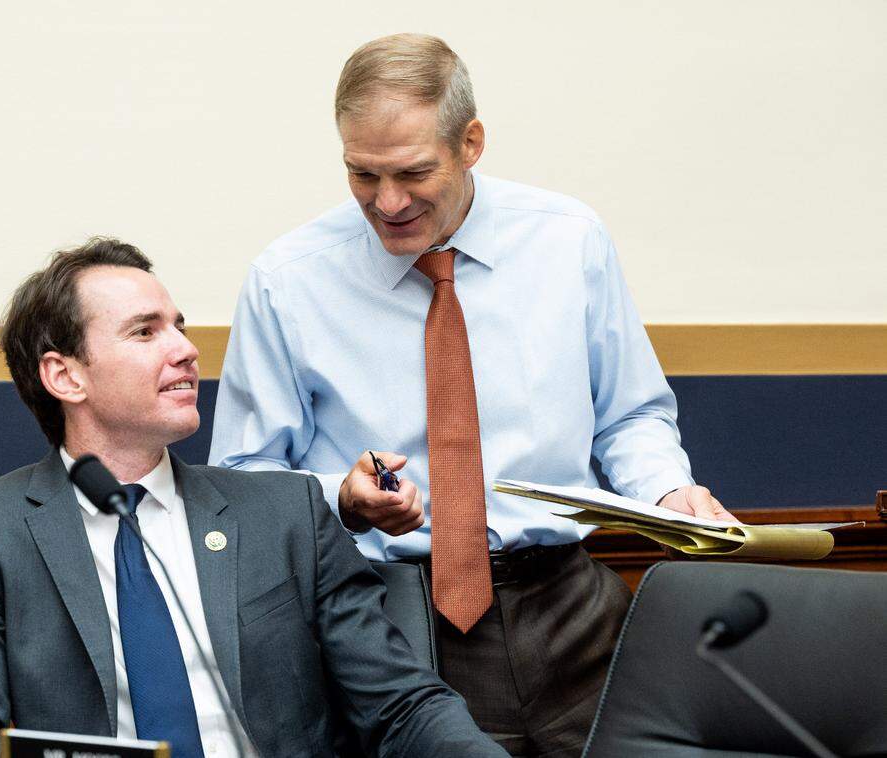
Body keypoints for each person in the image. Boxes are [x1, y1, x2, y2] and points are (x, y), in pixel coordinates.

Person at [209, 33, 737, 756]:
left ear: (471, 143)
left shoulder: (568, 241)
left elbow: (630, 416)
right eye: (361, 175)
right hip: (390, 621)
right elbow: (240, 481)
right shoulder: (289, 280)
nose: (386, 202)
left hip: (573, 610)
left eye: (412, 172)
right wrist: (341, 497)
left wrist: (667, 491)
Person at [0, 237, 505, 758]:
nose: (186, 349)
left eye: (180, 326)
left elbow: (402, 706)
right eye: (145, 331)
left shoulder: (284, 513)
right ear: (66, 376)